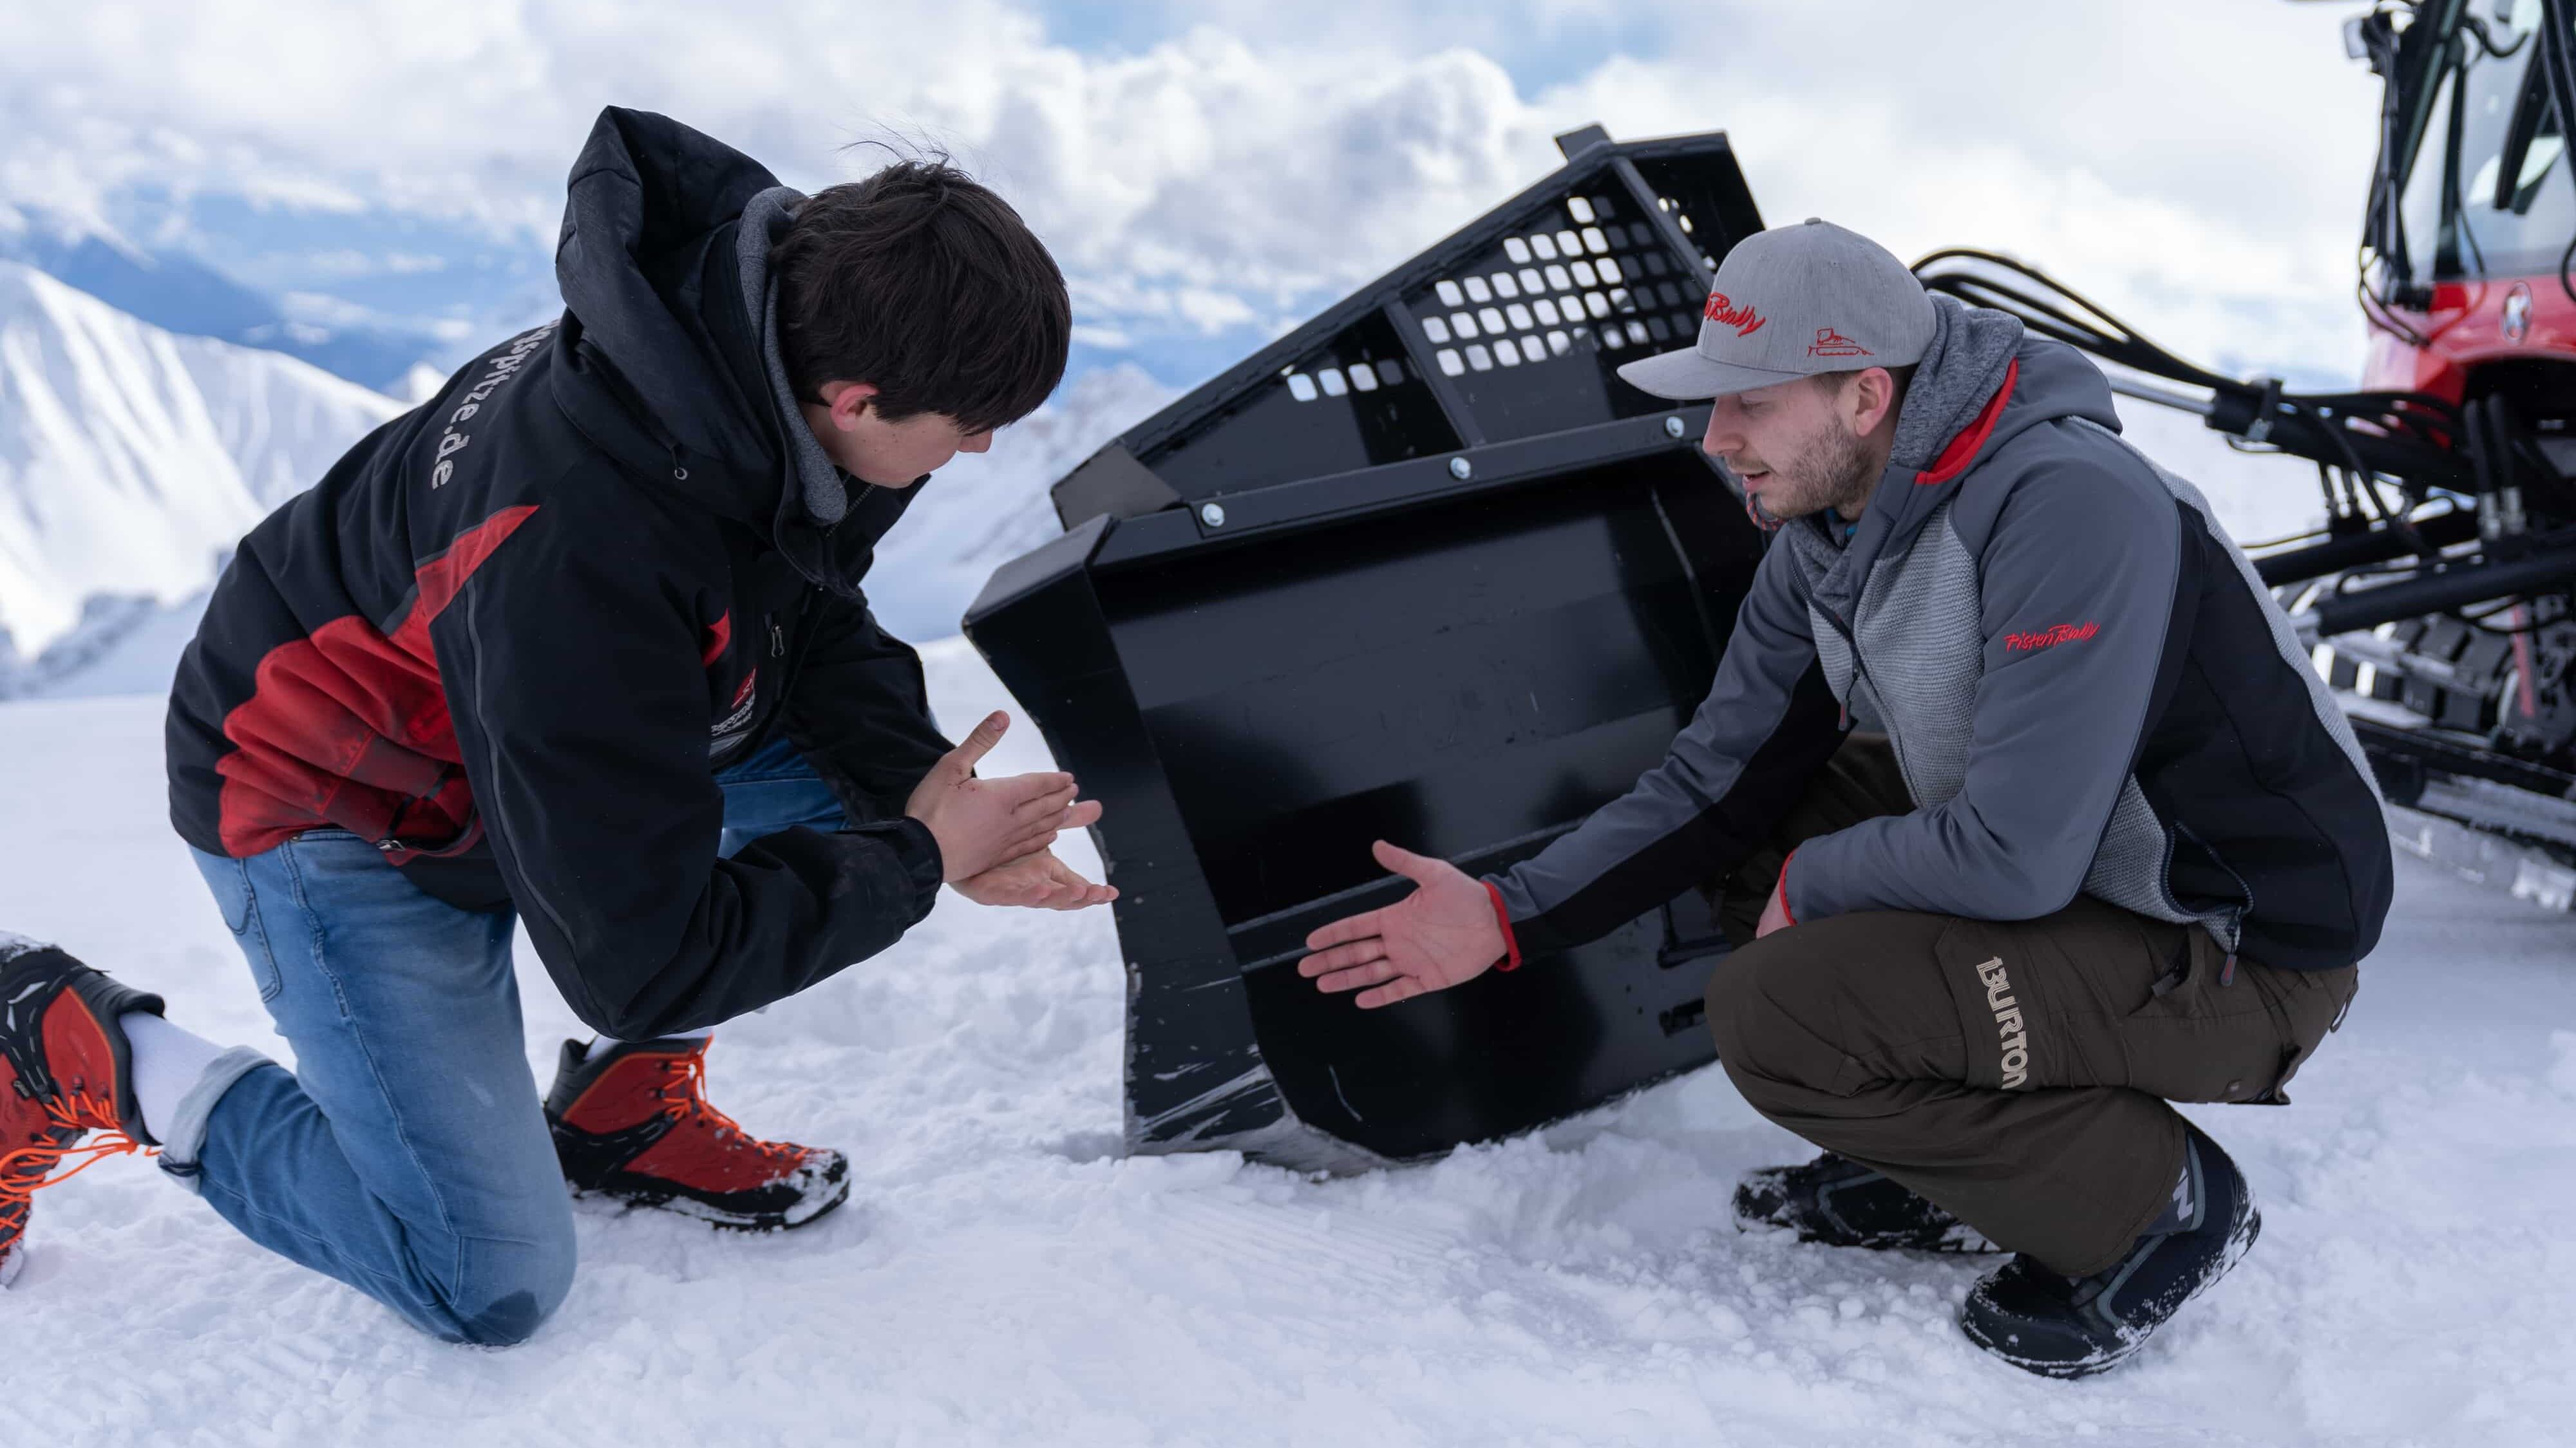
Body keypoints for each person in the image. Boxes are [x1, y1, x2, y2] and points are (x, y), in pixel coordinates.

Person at [0, 108, 1112, 1343]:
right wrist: (922, 859)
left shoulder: (751, 359)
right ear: (852, 400)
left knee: (856, 798)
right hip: (332, 794)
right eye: (965, 428)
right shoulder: (588, 550)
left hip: (517, 731)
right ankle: (62, 1048)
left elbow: (801, 620)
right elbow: (637, 957)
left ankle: (623, 1109)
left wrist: (918, 792)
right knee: (484, 1278)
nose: (984, 448)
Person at [1294, 219, 2391, 1378]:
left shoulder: (2070, 502)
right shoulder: (1825, 535)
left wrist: (1817, 881)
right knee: (1752, 833)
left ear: (1866, 397)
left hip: (2240, 941)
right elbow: (1713, 781)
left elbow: (2017, 857)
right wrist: (1508, 914)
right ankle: (1958, 1162)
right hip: (2080, 867)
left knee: (1784, 1013)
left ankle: (2153, 1206)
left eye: (1748, 405)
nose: (1714, 438)